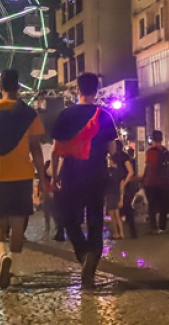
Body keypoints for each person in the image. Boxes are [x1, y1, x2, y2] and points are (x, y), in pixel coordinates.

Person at [0, 69, 47, 289]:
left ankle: (3, 256)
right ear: (18, 86)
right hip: (22, 176)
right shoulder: (29, 113)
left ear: (0, 87)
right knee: (19, 224)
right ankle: (14, 269)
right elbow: (36, 149)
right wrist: (42, 178)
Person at [51, 72, 118, 289]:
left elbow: (55, 150)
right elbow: (112, 149)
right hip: (97, 171)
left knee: (69, 218)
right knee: (96, 219)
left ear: (77, 90)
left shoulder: (65, 115)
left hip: (72, 171)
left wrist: (55, 175)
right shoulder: (104, 115)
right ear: (96, 91)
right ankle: (93, 259)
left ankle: (83, 252)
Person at [142, 131, 169, 235]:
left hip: (152, 183)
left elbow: (149, 167)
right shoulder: (166, 152)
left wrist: (143, 179)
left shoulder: (151, 152)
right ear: (161, 139)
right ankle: (163, 227)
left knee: (152, 206)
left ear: (153, 139)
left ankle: (153, 227)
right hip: (165, 183)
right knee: (163, 206)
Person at [115, 143, 138, 239]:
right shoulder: (123, 156)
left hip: (123, 185)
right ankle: (126, 232)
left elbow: (130, 171)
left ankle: (124, 232)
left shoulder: (122, 157)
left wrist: (124, 182)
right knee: (124, 208)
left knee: (124, 208)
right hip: (123, 185)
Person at [105, 154, 124, 240]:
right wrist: (121, 199)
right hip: (117, 194)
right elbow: (121, 186)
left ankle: (116, 233)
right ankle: (122, 233)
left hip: (109, 194)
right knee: (118, 215)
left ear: (112, 161)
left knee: (112, 216)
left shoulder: (108, 171)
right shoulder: (120, 172)